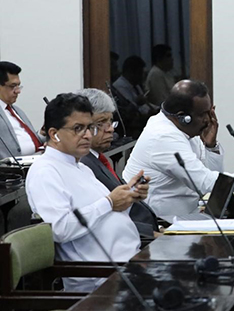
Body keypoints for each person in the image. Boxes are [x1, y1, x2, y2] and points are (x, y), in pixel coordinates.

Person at [26, 93, 148, 292]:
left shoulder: (82, 167)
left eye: (90, 127)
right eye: (78, 128)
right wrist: (109, 202)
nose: (88, 135)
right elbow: (59, 229)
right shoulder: (45, 171)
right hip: (99, 278)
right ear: (54, 134)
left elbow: (106, 216)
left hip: (129, 263)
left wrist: (129, 196)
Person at [123, 79, 234, 216]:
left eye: (210, 112)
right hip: (160, 222)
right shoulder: (163, 136)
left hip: (188, 215)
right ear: (182, 117)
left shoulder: (186, 130)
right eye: (203, 114)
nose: (208, 119)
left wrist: (210, 147)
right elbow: (206, 183)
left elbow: (213, 183)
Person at [77, 88, 160, 238]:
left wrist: (131, 192)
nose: (110, 129)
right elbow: (104, 219)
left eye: (110, 122)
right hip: (132, 240)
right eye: (101, 123)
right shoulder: (84, 164)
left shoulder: (96, 159)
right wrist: (152, 234)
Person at [0, 61, 45, 159]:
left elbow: (31, 142)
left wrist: (43, 132)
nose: (18, 91)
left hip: (36, 160)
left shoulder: (17, 111)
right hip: (12, 167)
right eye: (12, 86)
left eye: (18, 86)